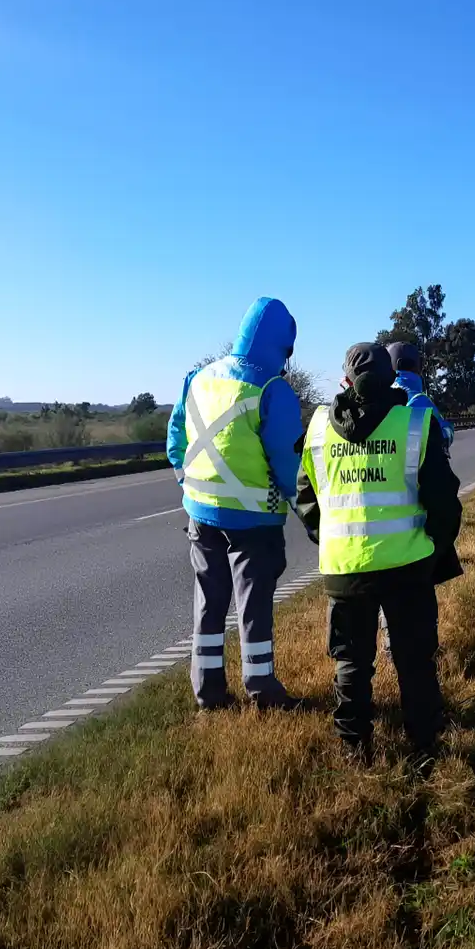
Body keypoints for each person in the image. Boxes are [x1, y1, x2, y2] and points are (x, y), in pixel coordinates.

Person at [296, 342, 462, 763]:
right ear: (393, 378)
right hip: (407, 566)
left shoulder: (318, 428)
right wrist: (432, 551)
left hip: (345, 570)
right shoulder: (414, 423)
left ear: (346, 380)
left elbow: (306, 499)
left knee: (351, 662)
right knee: (415, 661)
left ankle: (355, 750)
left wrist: (333, 541)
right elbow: (445, 502)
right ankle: (425, 747)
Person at [167, 296, 304, 711]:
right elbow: (289, 464)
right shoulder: (272, 389)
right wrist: (310, 513)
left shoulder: (199, 376)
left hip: (200, 513)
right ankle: (261, 689)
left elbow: (176, 440)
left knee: (209, 606)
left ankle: (207, 693)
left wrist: (188, 484)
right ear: (281, 347)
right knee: (253, 606)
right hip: (254, 521)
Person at [385, 341, 455, 450]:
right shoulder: (419, 400)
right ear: (416, 366)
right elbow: (443, 438)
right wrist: (448, 428)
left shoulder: (378, 397)